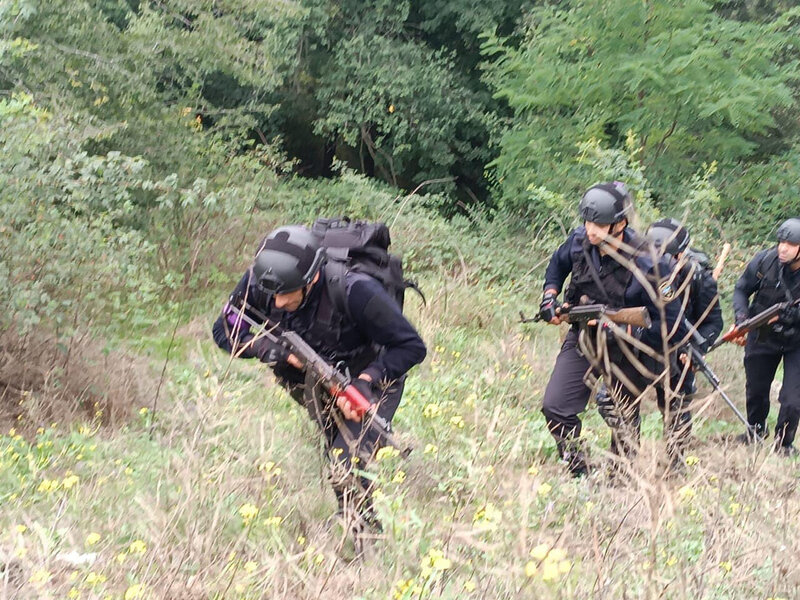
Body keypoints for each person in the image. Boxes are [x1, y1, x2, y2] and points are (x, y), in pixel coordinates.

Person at [212, 224, 426, 537]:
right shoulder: (262, 280)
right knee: (337, 447)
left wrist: (366, 382)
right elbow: (225, 331)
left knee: (346, 462)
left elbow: (411, 346)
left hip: (372, 377)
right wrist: (275, 351)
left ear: (312, 278)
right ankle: (356, 518)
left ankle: (365, 543)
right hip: (313, 380)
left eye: (287, 294)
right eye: (274, 295)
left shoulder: (356, 290)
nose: (279, 302)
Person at [538, 182, 686, 476]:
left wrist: (630, 332)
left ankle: (624, 478)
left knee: (621, 416)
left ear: (620, 223)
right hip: (585, 338)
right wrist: (550, 295)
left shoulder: (651, 261)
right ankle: (578, 468)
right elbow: (557, 265)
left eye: (600, 224)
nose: (591, 230)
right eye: (587, 221)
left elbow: (671, 321)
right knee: (555, 406)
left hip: (628, 351)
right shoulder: (580, 240)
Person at [644, 218, 723, 465]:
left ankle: (675, 463)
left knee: (676, 409)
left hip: (679, 351)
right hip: (642, 344)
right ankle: (623, 460)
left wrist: (696, 348)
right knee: (613, 399)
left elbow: (713, 322)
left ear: (679, 256)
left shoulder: (699, 279)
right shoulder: (636, 270)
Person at [730, 217, 800, 455]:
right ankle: (756, 431)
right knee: (756, 388)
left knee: (792, 399)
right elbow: (741, 289)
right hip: (763, 333)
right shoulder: (765, 261)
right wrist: (741, 319)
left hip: (796, 341)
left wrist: (794, 316)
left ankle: (783, 444)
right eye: (781, 241)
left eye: (790, 244)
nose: (783, 248)